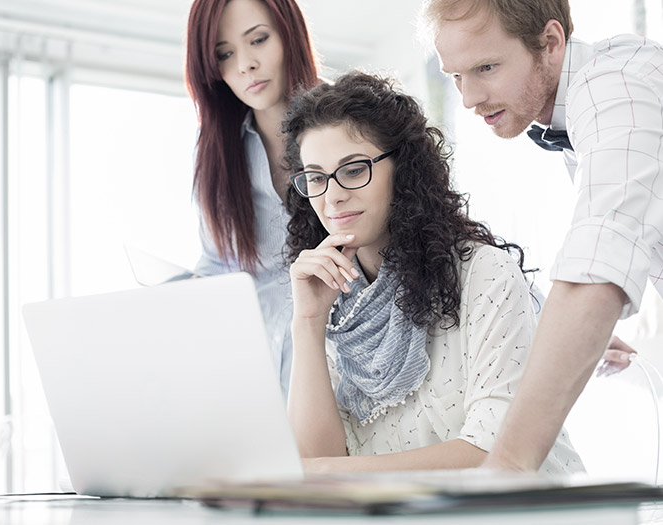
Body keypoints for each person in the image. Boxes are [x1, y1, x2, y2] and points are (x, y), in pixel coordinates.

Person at [282, 71, 583, 474]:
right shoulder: (335, 305)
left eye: (354, 170)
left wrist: (330, 473)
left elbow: (496, 454)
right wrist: (308, 322)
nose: (333, 195)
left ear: (403, 170)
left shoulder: (484, 274)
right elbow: (314, 462)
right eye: (316, 178)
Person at [424, 0, 662, 471]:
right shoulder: (582, 105)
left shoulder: (611, 83)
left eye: (486, 67)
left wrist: (506, 469)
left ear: (551, 43)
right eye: (455, 77)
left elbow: (598, 261)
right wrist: (574, 335)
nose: (469, 99)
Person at [184, 0, 318, 397]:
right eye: (225, 54)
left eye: (257, 40)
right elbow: (216, 261)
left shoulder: (348, 122)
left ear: (288, 33)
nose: (244, 65)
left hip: (343, 365)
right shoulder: (216, 151)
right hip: (251, 375)